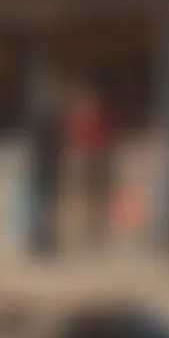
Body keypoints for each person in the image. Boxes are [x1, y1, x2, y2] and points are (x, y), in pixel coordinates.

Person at [63, 83, 117, 255]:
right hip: (87, 158)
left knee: (96, 197)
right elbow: (72, 137)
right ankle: (85, 232)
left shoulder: (96, 116)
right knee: (83, 198)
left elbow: (107, 136)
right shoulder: (79, 116)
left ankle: (95, 232)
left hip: (96, 158)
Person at [29, 74, 64, 258]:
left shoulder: (42, 126)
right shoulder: (48, 128)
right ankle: (43, 244)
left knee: (43, 210)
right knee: (44, 210)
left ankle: (42, 244)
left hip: (44, 175)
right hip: (46, 175)